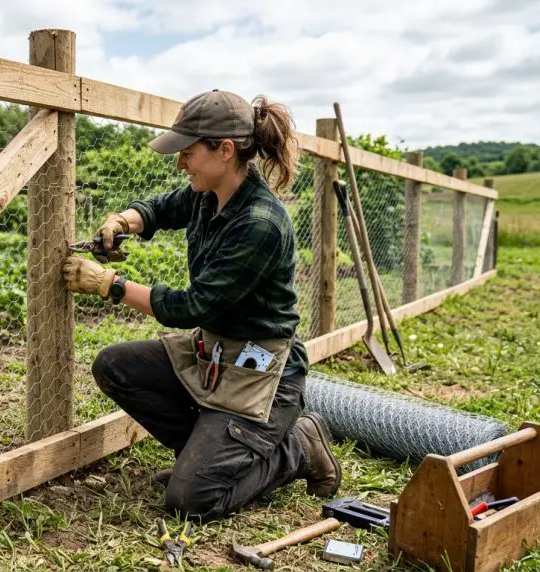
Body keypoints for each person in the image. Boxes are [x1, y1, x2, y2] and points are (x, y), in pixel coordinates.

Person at [62, 89, 341, 524]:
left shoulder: (260, 224)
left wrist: (109, 285)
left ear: (225, 150)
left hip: (262, 373)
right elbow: (158, 210)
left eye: (188, 153)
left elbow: (193, 306)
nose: (180, 163)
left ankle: (297, 448)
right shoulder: (206, 193)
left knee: (191, 501)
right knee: (115, 366)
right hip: (214, 353)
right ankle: (207, 454)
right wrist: (122, 221)